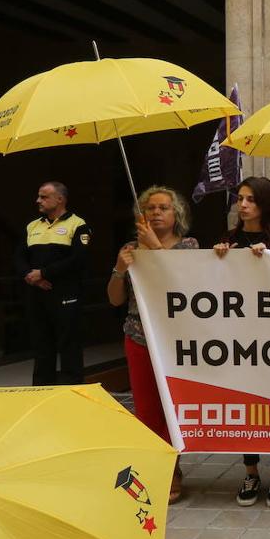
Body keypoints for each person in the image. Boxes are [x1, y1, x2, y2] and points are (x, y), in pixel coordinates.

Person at [107, 185, 197, 503]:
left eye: (164, 208)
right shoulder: (131, 248)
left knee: (172, 407)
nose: (157, 213)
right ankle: (156, 470)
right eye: (151, 208)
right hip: (139, 336)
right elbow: (115, 298)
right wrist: (120, 269)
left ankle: (171, 468)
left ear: (177, 215)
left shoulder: (189, 247)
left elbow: (179, 286)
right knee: (146, 410)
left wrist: (155, 247)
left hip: (175, 341)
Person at [214, 176, 270, 508]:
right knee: (246, 403)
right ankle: (250, 471)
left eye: (250, 200)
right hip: (239, 338)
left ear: (264, 205)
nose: (242, 205)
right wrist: (218, 258)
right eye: (240, 199)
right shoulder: (228, 240)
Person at [15, 181, 92, 386]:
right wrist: (31, 277)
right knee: (41, 344)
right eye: (39, 196)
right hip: (37, 293)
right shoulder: (32, 226)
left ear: (60, 199)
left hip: (66, 293)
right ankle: (41, 388)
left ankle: (72, 388)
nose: (38, 200)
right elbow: (19, 257)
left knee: (69, 343)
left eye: (44, 196)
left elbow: (79, 259)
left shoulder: (77, 224)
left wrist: (45, 273)